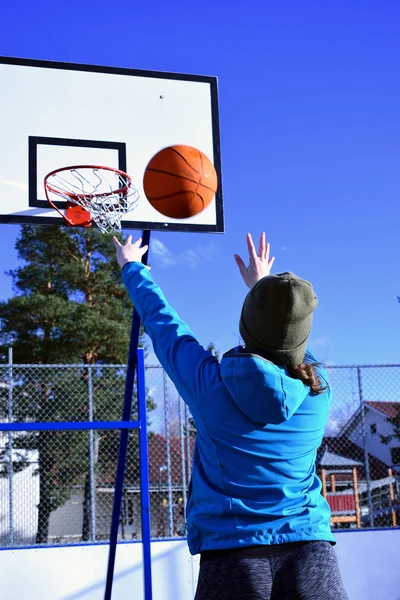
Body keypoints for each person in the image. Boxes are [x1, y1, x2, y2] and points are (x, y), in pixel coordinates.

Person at [113, 232, 348, 600]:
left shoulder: (210, 387)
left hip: (232, 556)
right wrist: (263, 288)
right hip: (310, 552)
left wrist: (132, 268)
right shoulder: (319, 390)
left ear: (246, 323)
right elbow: (289, 336)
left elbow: (164, 325)